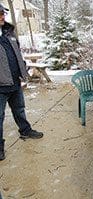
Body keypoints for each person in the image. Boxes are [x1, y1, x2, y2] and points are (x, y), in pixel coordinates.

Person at [0, 4, 43, 161]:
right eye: (0, 14)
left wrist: (22, 69)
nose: (2, 16)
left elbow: (17, 53)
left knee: (19, 109)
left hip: (14, 81)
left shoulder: (9, 33)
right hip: (1, 86)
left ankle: (25, 130)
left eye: (3, 13)